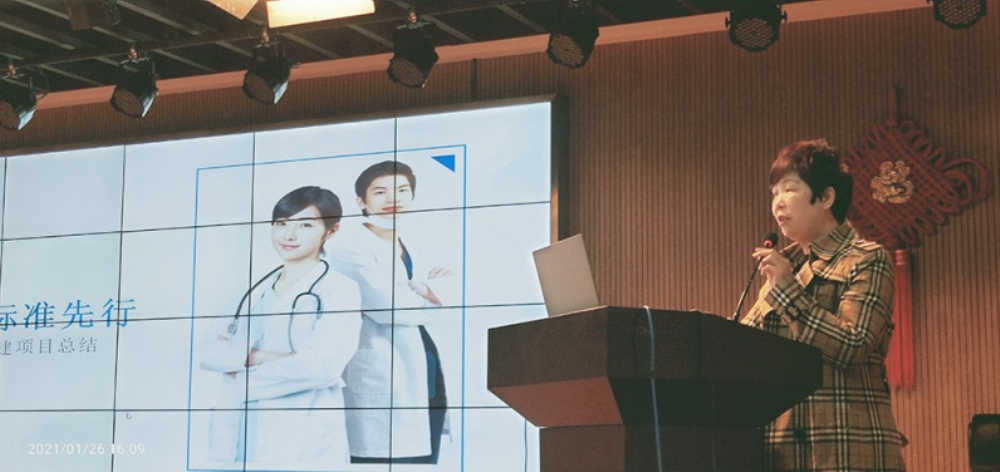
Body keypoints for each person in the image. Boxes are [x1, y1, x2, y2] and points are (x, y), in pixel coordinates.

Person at [739, 139, 907, 471]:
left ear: (826, 197)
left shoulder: (866, 259)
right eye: (774, 193)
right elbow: (746, 346)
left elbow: (853, 345)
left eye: (790, 190)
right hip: (782, 452)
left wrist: (786, 289)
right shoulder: (785, 267)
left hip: (846, 450)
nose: (778, 203)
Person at [200, 186, 362, 467]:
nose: (289, 235)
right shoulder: (251, 289)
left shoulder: (340, 289)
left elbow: (321, 368)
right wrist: (267, 357)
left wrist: (239, 366)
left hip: (302, 430)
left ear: (331, 231)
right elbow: (208, 352)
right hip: (237, 427)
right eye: (282, 223)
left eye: (306, 225)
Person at [329, 160, 453, 463]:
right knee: (385, 461)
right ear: (361, 201)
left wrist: (423, 291)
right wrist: (429, 292)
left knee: (424, 464)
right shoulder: (349, 247)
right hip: (383, 376)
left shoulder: (415, 245)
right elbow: (389, 308)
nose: (392, 198)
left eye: (402, 190)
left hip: (428, 377)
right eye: (380, 191)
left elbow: (452, 297)